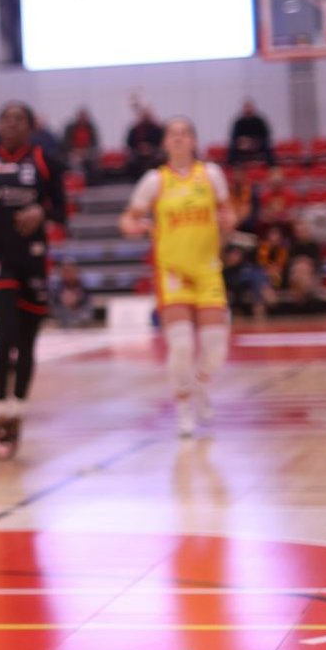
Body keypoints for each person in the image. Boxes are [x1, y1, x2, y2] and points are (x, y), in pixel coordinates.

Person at [0, 102, 67, 461]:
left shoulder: (45, 161)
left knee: (28, 342)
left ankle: (16, 411)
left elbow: (62, 211)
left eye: (18, 119)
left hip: (32, 261)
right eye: (5, 118)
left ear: (30, 127)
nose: (11, 124)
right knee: (5, 336)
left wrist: (41, 212)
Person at [120, 117, 235, 436]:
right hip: (172, 273)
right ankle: (183, 408)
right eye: (173, 134)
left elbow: (228, 212)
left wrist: (227, 221)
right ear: (165, 143)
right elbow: (128, 220)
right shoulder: (154, 181)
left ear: (194, 141)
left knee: (216, 349)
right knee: (181, 345)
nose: (179, 138)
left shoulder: (211, 175)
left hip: (208, 271)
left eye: (185, 133)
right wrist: (135, 226)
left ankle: (200, 385)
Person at [228, 99, 273, 166]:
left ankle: (271, 166)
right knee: (232, 148)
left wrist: (255, 142)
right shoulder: (239, 122)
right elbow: (234, 137)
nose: (248, 110)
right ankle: (234, 166)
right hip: (243, 145)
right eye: (246, 108)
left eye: (249, 107)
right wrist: (243, 142)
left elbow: (265, 135)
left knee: (267, 146)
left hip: (257, 144)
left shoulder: (259, 121)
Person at [125, 104, 164, 179]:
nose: (145, 117)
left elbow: (161, 142)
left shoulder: (157, 129)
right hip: (138, 152)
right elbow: (129, 143)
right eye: (143, 115)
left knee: (159, 158)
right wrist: (140, 148)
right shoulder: (135, 129)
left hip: (154, 151)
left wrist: (150, 148)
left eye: (147, 115)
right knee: (131, 161)